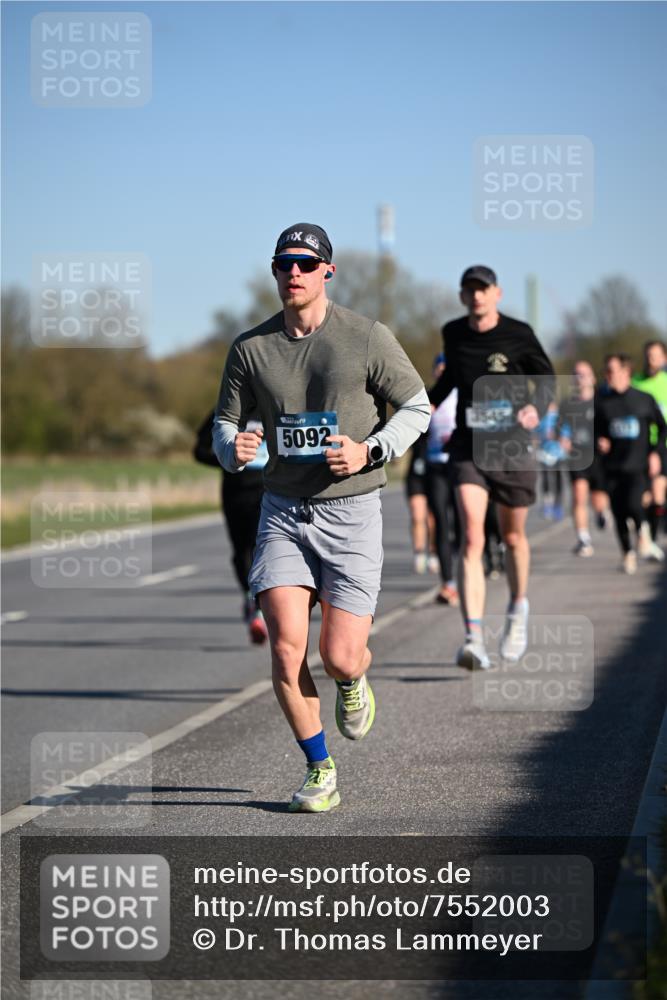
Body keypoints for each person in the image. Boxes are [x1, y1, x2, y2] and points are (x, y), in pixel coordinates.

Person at [213, 223, 430, 812]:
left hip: (352, 510)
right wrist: (229, 447)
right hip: (282, 510)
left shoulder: (366, 337)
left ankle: (353, 678)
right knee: (286, 649)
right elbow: (222, 426)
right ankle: (319, 769)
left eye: (306, 264)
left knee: (337, 656)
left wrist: (371, 449)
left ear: (328, 270)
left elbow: (417, 407)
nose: (294, 273)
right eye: (284, 263)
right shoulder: (250, 348)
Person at [429, 265, 555, 670]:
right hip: (469, 446)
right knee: (470, 535)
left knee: (514, 536)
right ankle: (473, 638)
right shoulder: (454, 333)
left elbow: (546, 376)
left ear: (497, 293)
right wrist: (426, 402)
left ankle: (518, 609)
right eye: (470, 290)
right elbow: (450, 379)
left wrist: (538, 406)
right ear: (462, 296)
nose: (477, 296)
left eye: (483, 289)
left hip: (514, 445)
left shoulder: (518, 334)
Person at [193, 410, 269, 643]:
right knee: (240, 552)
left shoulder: (275, 402)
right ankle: (251, 599)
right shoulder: (224, 411)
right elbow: (200, 450)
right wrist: (230, 456)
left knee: (261, 550)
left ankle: (259, 607)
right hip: (235, 492)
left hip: (268, 491)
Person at [595, 353, 667, 573]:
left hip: (637, 465)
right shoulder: (602, 402)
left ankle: (644, 534)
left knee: (635, 505)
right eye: (606, 371)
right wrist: (600, 440)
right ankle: (627, 554)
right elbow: (596, 430)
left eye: (612, 371)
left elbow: (662, 428)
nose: (608, 375)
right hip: (613, 466)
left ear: (626, 372)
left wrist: (655, 452)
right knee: (619, 512)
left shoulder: (643, 399)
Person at [559, 361, 609, 557]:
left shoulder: (601, 402)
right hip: (577, 455)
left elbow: (610, 425)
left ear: (593, 378)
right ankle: (583, 538)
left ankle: (600, 513)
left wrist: (607, 440)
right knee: (579, 494)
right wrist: (562, 438)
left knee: (598, 498)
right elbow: (558, 427)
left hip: (598, 456)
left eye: (584, 374)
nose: (580, 378)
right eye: (576, 374)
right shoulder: (567, 404)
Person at [424, 353, 460, 604]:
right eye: (438, 368)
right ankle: (448, 582)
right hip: (435, 467)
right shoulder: (427, 396)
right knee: (440, 521)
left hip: (459, 467)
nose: (441, 371)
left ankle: (464, 572)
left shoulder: (461, 395)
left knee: (461, 525)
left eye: (445, 368)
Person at [632, 340, 667, 547]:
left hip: (663, 445)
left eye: (655, 355)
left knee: (658, 492)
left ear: (664, 359)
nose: (650, 359)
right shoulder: (635, 382)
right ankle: (648, 533)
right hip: (640, 445)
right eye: (648, 355)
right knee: (645, 496)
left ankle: (653, 536)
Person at [404, 432, 439, 575]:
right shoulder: (417, 415)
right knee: (417, 514)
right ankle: (419, 552)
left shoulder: (441, 417)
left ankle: (433, 552)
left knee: (432, 518)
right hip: (416, 473)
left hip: (435, 473)